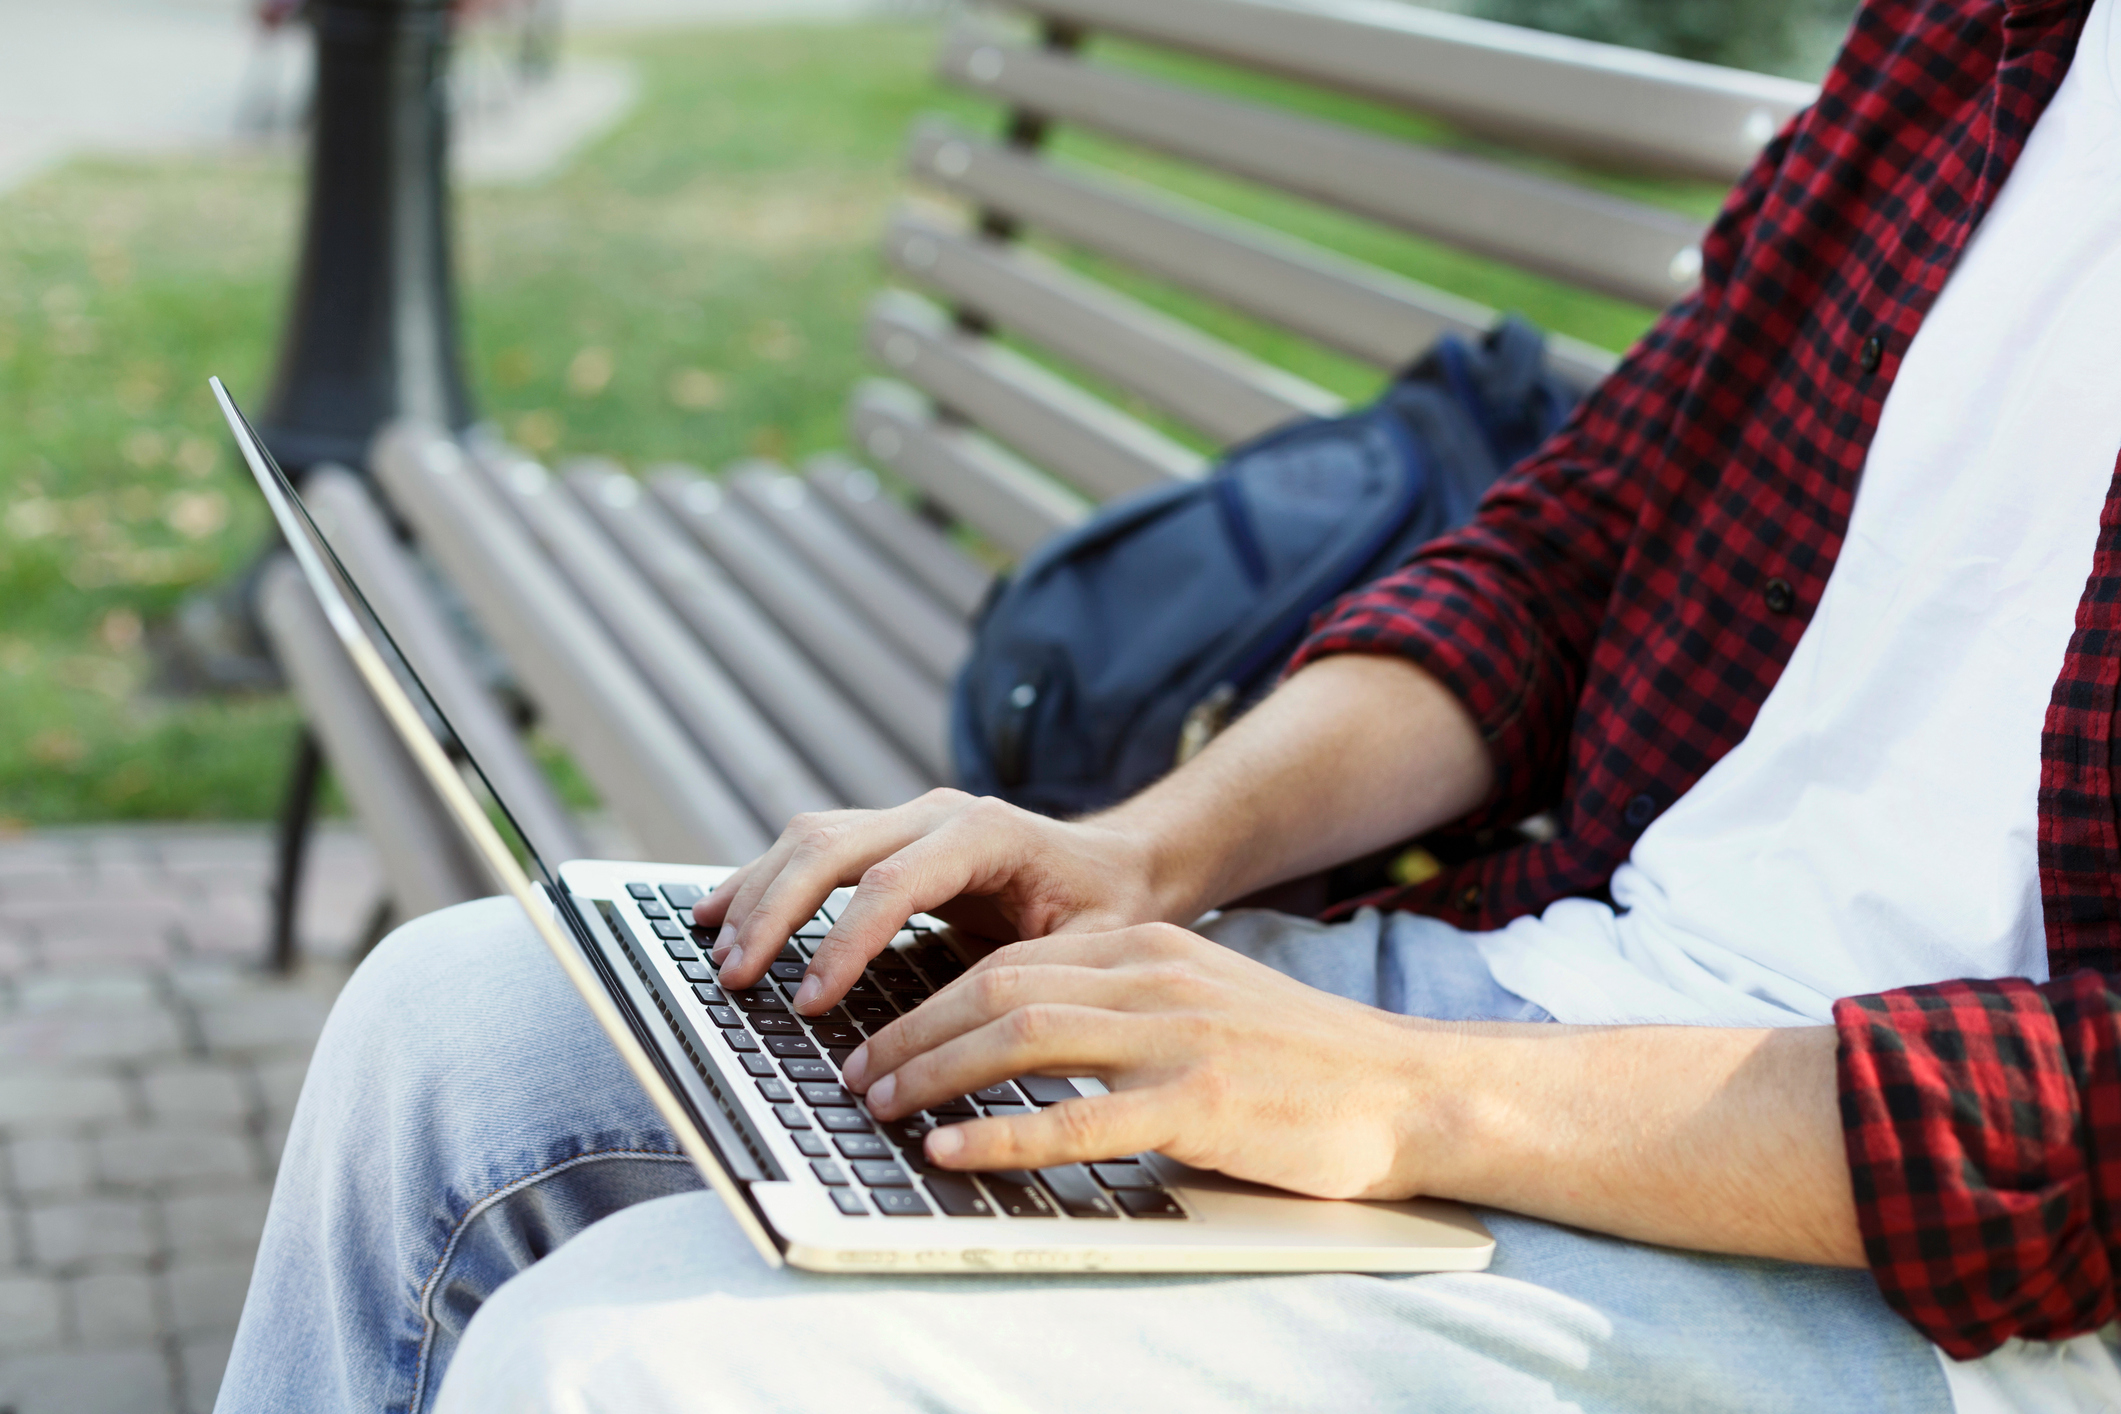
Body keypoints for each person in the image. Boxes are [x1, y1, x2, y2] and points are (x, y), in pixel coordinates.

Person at [216, 0, 2121, 1408]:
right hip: (1569, 984)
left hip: (1927, 1285)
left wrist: (1402, 1097)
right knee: (460, 1026)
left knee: (620, 1356)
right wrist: (1138, 855)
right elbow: (1578, 541)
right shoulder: (1987, 42)